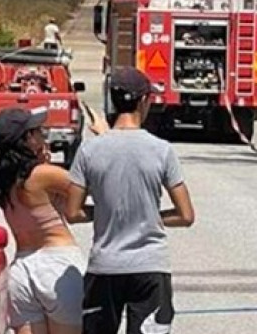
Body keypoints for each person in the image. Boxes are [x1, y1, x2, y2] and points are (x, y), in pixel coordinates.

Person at [65, 67, 194, 334]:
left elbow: (72, 212)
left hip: (104, 267)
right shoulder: (162, 150)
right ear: (144, 101)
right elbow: (186, 215)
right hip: (150, 266)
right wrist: (146, 215)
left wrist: (103, 211)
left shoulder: (89, 150)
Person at [0, 106, 99, 334]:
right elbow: (92, 187)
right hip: (56, 264)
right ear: (27, 139)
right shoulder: (43, 174)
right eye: (37, 130)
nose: (44, 134)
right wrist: (103, 141)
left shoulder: (0, 176)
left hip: (22, 267)